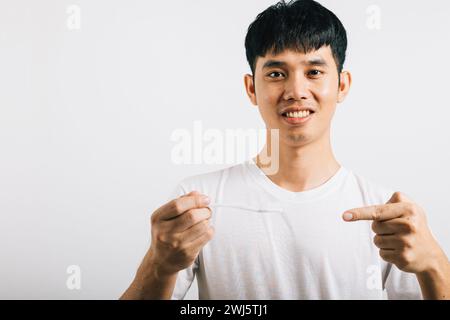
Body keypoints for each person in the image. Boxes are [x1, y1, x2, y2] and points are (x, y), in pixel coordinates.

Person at [120, 0, 450, 299]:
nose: (296, 90)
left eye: (314, 72)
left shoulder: (386, 215)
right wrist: (158, 266)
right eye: (277, 73)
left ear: (342, 85)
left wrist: (433, 263)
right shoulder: (199, 205)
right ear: (251, 88)